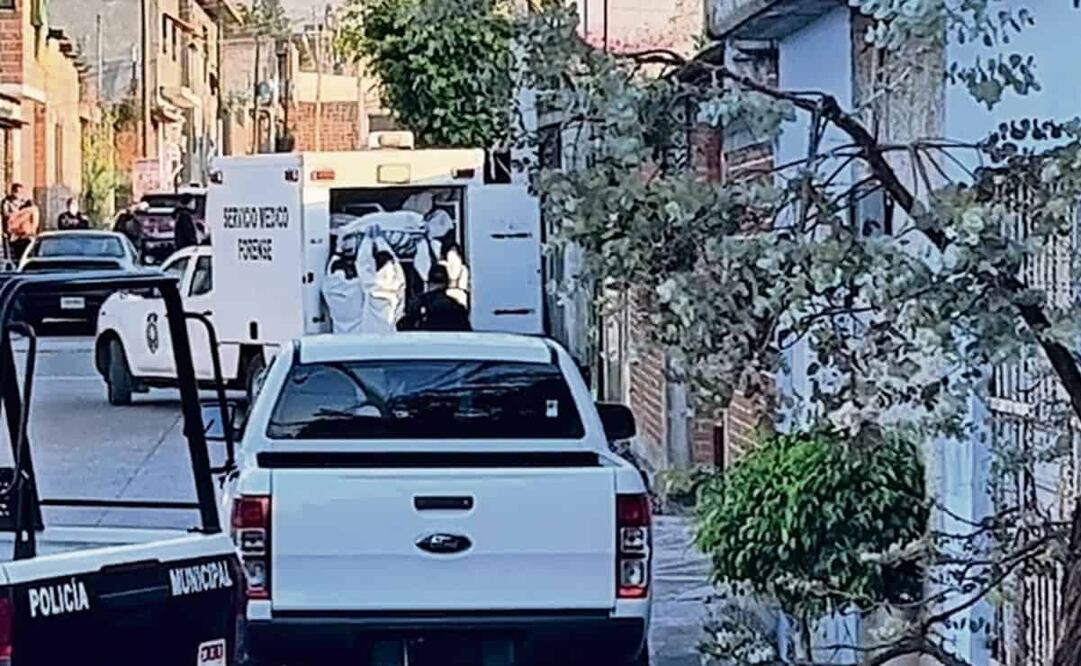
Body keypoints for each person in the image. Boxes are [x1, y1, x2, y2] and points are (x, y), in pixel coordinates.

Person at [356, 226, 406, 334]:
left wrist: (367, 241)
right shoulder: (397, 285)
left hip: (369, 332)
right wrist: (381, 240)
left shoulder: (370, 284)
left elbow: (362, 264)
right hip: (390, 332)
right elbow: (397, 266)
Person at [397, 265, 472, 332]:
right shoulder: (457, 308)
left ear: (429, 283)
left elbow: (402, 327)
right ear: (447, 283)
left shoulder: (417, 304)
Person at [2, 184, 37, 262]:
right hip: (13, 234)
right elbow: (7, 216)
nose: (18, 194)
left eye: (21, 192)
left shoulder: (25, 202)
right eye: (16, 192)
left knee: (25, 254)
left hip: (25, 234)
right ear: (12, 192)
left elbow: (33, 213)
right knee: (14, 256)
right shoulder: (7, 202)